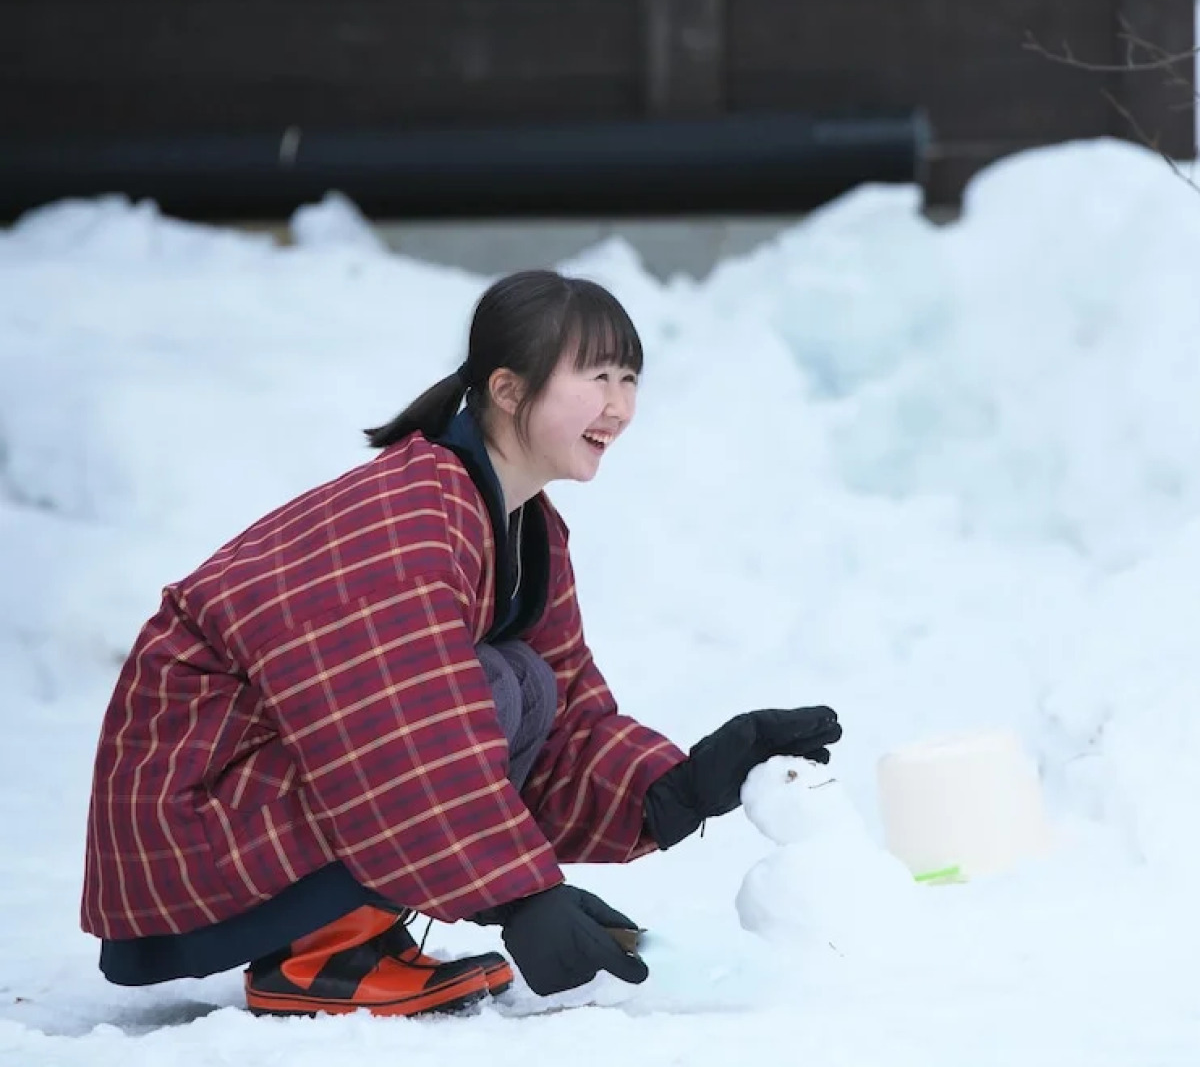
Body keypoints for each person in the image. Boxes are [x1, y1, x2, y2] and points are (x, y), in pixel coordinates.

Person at [78, 269, 842, 1018]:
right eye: (597, 376)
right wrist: (517, 895)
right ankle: (320, 953)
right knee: (487, 686)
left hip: (258, 798)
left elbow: (566, 712)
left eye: (629, 378)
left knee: (523, 680)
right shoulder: (408, 512)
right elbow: (401, 726)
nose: (619, 406)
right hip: (193, 813)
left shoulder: (520, 520)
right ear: (509, 390)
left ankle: (355, 932)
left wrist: (674, 790)